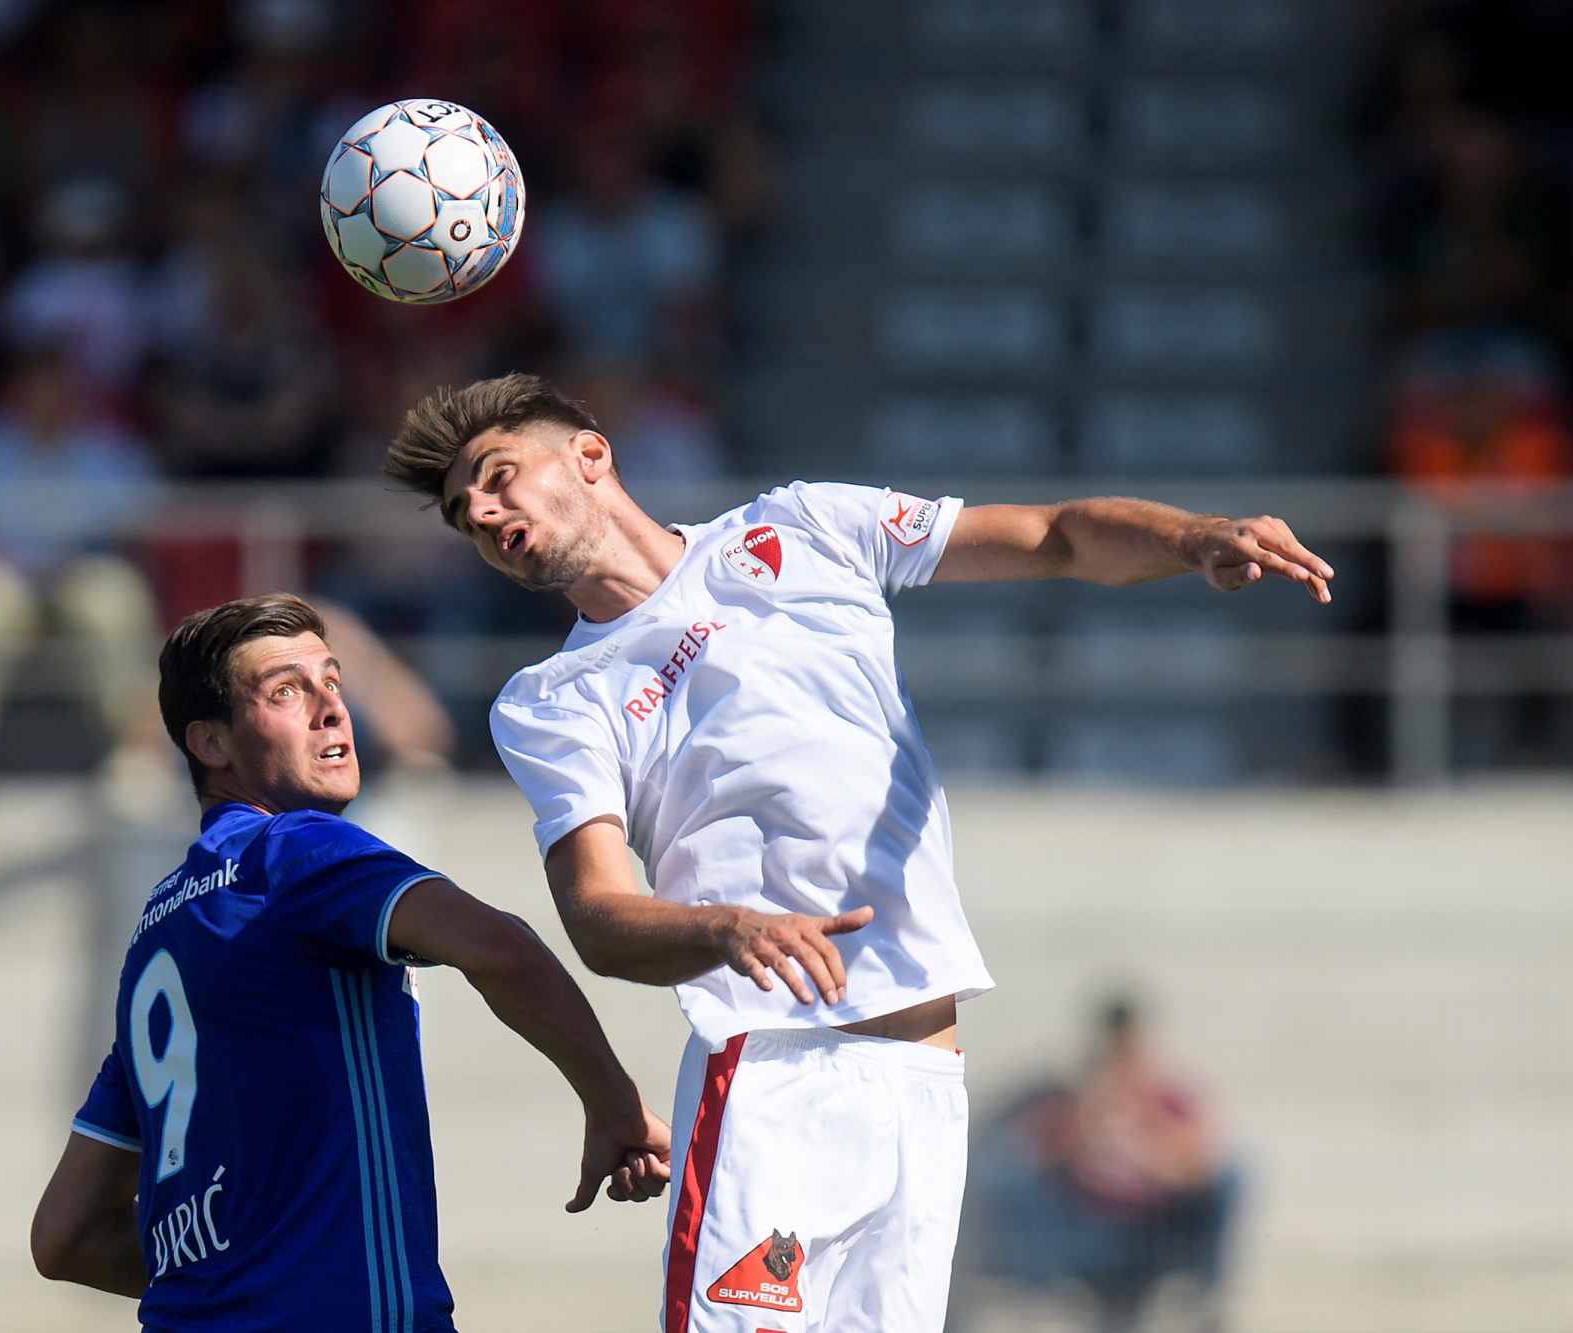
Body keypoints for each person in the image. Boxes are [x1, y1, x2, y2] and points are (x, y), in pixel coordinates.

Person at [380, 374, 1333, 1333]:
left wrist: (1189, 536)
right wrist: (730, 925)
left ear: (591, 456)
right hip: (774, 1076)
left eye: (497, 476)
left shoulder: (799, 526)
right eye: (465, 515)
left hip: (924, 1082)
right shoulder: (554, 699)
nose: (486, 512)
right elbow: (596, 917)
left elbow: (1059, 535)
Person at [29, 593, 671, 1329]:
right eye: (284, 691)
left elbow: (64, 1237)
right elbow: (501, 948)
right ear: (212, 744)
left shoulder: (160, 936)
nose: (332, 708)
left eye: (332, 681)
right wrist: (614, 1105)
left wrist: (240, 1275)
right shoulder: (296, 849)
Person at [0, 345, 161, 787]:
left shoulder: (109, 448)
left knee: (116, 597)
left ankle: (137, 753)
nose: (46, 396)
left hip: (83, 569)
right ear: (16, 390)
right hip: (1, 573)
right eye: (36, 385)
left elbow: (141, 522)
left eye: (57, 386)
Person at [960, 998, 1236, 1333]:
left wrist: (1139, 1144)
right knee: (999, 1175)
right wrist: (1085, 1121)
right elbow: (1032, 1157)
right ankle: (1041, 1289)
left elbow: (1201, 1172)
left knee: (1237, 1175)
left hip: (1150, 1232)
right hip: (1082, 1231)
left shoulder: (1165, 1100)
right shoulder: (1073, 1098)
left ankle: (1199, 1290)